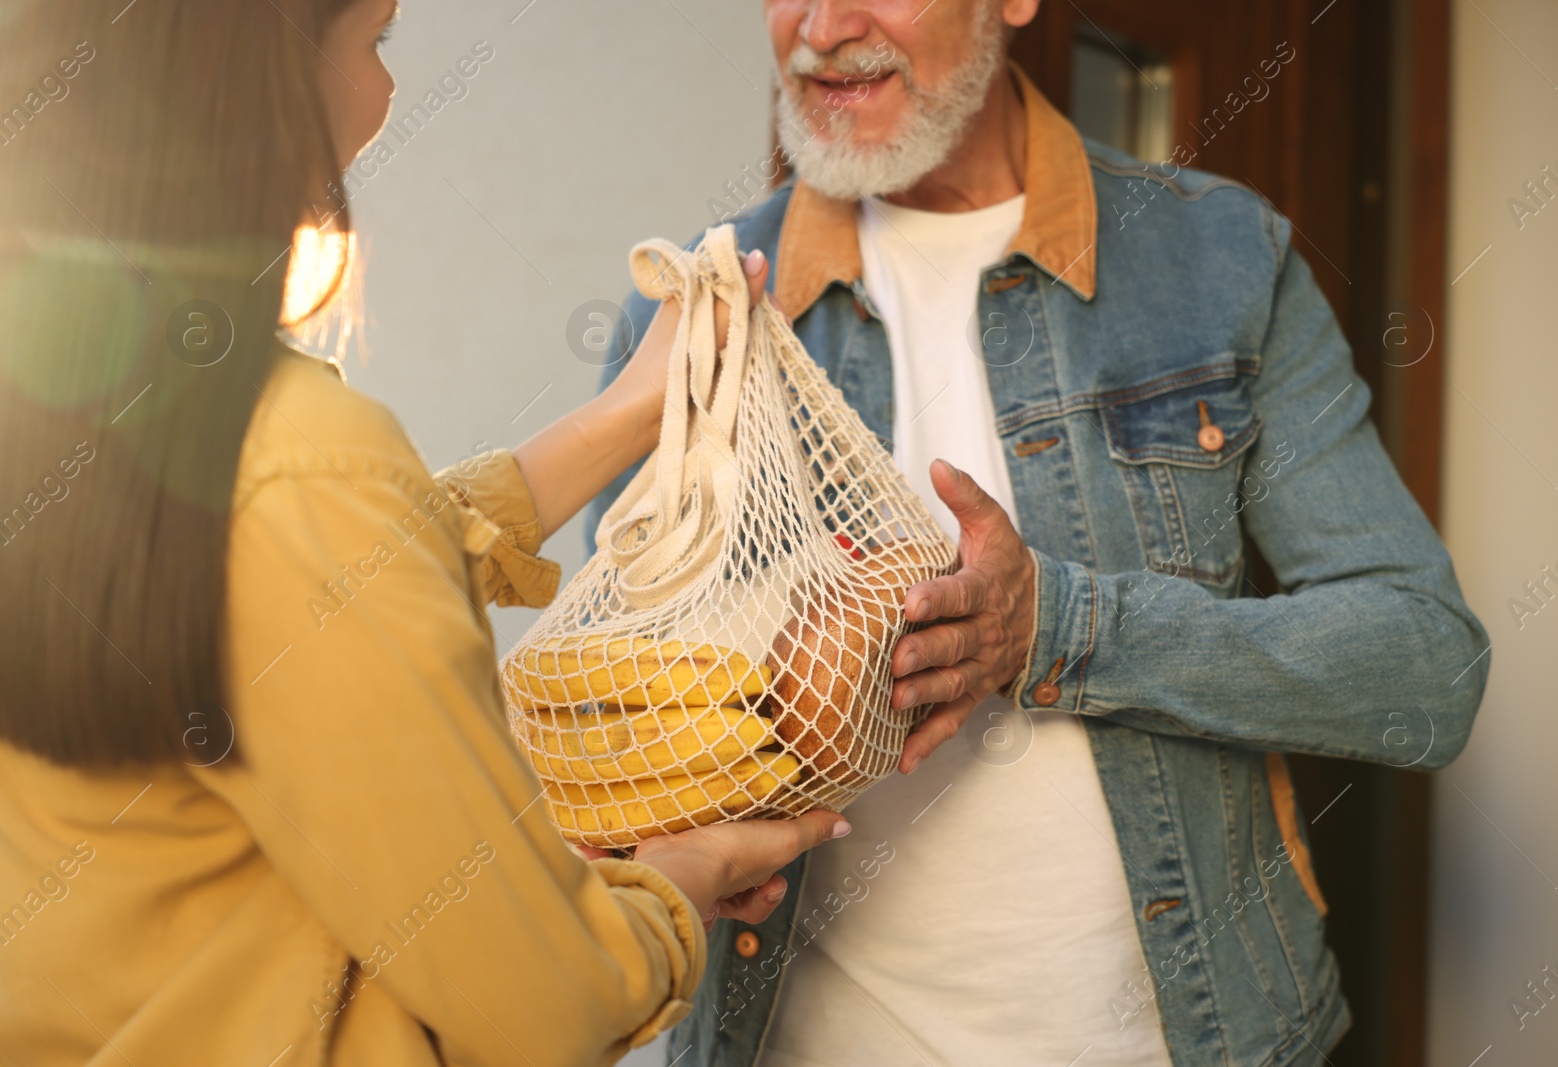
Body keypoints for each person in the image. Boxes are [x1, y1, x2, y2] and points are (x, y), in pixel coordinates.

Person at [589, 1, 1491, 1065]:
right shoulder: (693, 316)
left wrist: (1060, 627)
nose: (824, 26)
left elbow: (1424, 670)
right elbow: (625, 728)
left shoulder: (1221, 262)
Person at [0, 2, 845, 1065]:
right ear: (262, 79)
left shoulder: (70, 410)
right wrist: (669, 890)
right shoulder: (303, 461)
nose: (388, 95)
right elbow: (544, 1002)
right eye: (375, 44)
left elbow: (281, 572)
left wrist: (628, 409)